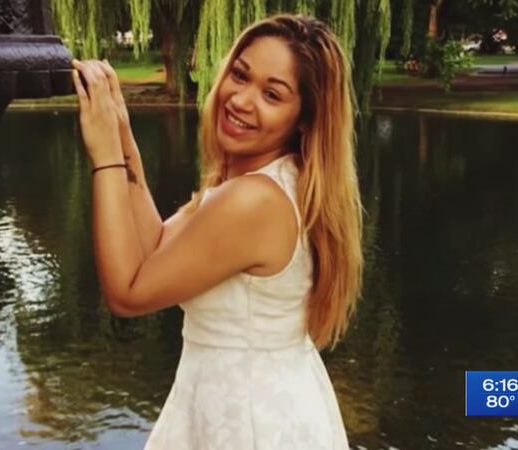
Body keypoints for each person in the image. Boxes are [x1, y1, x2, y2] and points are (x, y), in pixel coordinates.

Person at [71, 13, 363, 450]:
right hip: (258, 403)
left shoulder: (254, 200)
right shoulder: (273, 180)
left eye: (271, 94)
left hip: (248, 421)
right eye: (240, 75)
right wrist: (123, 136)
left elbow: (127, 294)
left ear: (305, 118)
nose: (241, 100)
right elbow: (155, 250)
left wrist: (105, 158)